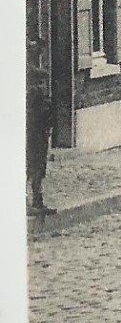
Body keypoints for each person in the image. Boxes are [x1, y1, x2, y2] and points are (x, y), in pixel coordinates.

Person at [26, 39, 54, 216]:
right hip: (33, 131)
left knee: (38, 166)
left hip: (40, 130)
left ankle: (37, 199)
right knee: (32, 165)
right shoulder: (32, 87)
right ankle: (31, 201)